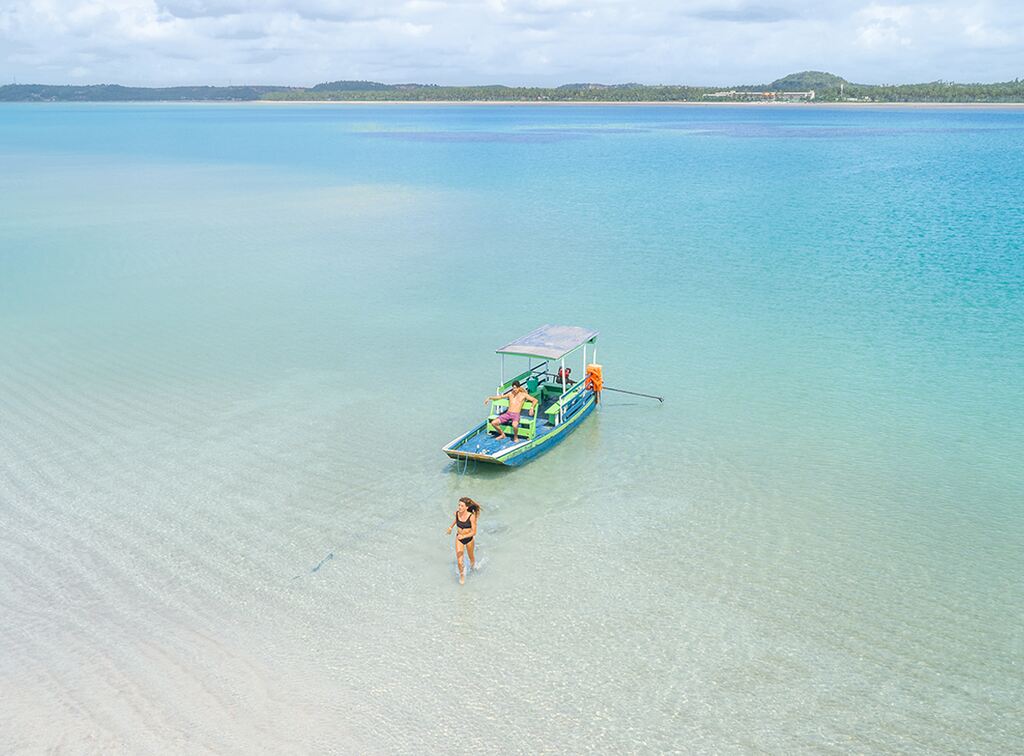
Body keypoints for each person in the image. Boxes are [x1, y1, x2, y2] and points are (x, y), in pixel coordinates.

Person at [446, 497, 481, 584]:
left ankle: (473, 568)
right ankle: (462, 575)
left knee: (471, 557)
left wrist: (464, 536)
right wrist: (450, 527)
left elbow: (474, 532)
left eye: (462, 506)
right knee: (459, 561)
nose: (459, 507)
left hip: (469, 539)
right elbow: (456, 520)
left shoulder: (471, 517)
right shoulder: (457, 513)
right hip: (459, 539)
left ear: (467, 507)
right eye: (459, 505)